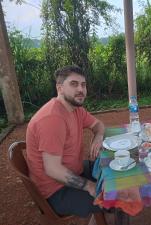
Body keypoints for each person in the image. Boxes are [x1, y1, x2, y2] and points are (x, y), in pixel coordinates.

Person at [26, 65, 106, 224]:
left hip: (75, 170)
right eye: (74, 84)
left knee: (113, 169)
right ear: (60, 88)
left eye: (83, 85)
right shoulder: (52, 119)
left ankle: (97, 217)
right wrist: (89, 186)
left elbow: (98, 124)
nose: (81, 89)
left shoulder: (75, 108)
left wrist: (98, 136)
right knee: (115, 196)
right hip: (56, 191)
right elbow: (53, 170)